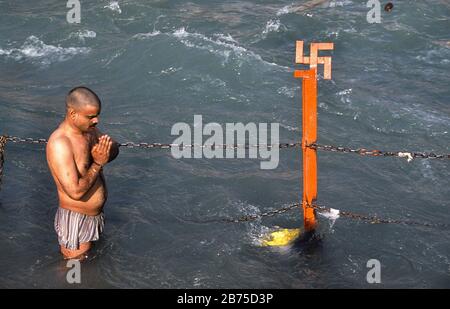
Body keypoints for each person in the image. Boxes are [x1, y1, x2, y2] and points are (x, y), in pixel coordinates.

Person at [46, 86, 119, 260]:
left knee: (92, 267)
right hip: (75, 220)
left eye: (97, 115)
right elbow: (75, 192)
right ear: (72, 114)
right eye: (91, 117)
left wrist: (108, 150)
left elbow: (113, 149)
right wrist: (98, 163)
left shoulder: (89, 131)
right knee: (74, 270)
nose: (96, 121)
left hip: (95, 217)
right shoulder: (60, 143)